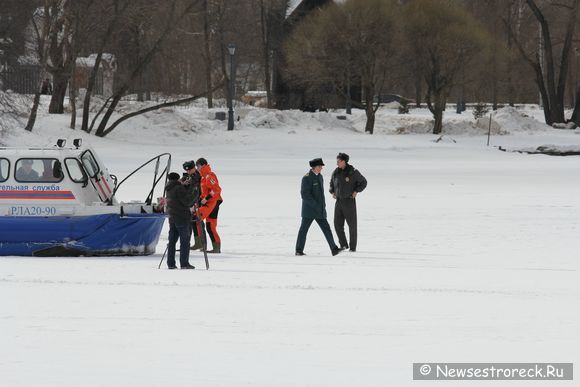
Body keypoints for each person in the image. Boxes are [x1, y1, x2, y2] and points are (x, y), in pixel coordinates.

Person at [295, 158, 342, 256]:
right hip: (309, 211)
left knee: (326, 229)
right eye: (320, 166)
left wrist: (322, 207)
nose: (321, 168)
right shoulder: (306, 178)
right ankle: (299, 250)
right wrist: (315, 205)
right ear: (314, 167)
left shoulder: (320, 177)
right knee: (303, 230)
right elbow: (305, 195)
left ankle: (334, 249)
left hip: (319, 210)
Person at [329, 152, 367, 252]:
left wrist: (356, 191)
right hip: (339, 202)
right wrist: (332, 191)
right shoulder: (336, 172)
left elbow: (364, 182)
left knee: (352, 225)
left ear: (344, 161)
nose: (337, 163)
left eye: (338, 161)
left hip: (349, 201)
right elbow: (331, 183)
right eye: (336, 161)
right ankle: (343, 244)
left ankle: (353, 247)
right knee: (337, 224)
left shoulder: (353, 172)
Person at [165, 172, 196, 269]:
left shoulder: (169, 188)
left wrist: (184, 186)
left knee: (172, 242)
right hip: (182, 218)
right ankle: (184, 263)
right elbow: (187, 202)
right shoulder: (178, 188)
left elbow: (178, 198)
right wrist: (195, 193)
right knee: (185, 241)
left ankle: (170, 264)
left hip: (172, 218)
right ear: (177, 179)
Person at [195, 157, 223, 253]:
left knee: (197, 219)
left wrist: (206, 199)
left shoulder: (208, 176)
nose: (197, 168)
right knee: (209, 226)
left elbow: (216, 190)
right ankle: (215, 247)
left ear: (203, 165)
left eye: (198, 166)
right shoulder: (203, 177)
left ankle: (204, 244)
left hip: (212, 202)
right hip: (210, 202)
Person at [181, 160, 204, 251]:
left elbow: (196, 191)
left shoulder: (197, 176)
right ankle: (197, 243)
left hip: (197, 201)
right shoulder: (189, 176)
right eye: (187, 170)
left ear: (194, 168)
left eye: (190, 170)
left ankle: (202, 243)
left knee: (199, 223)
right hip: (190, 201)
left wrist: (195, 203)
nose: (188, 172)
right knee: (193, 222)